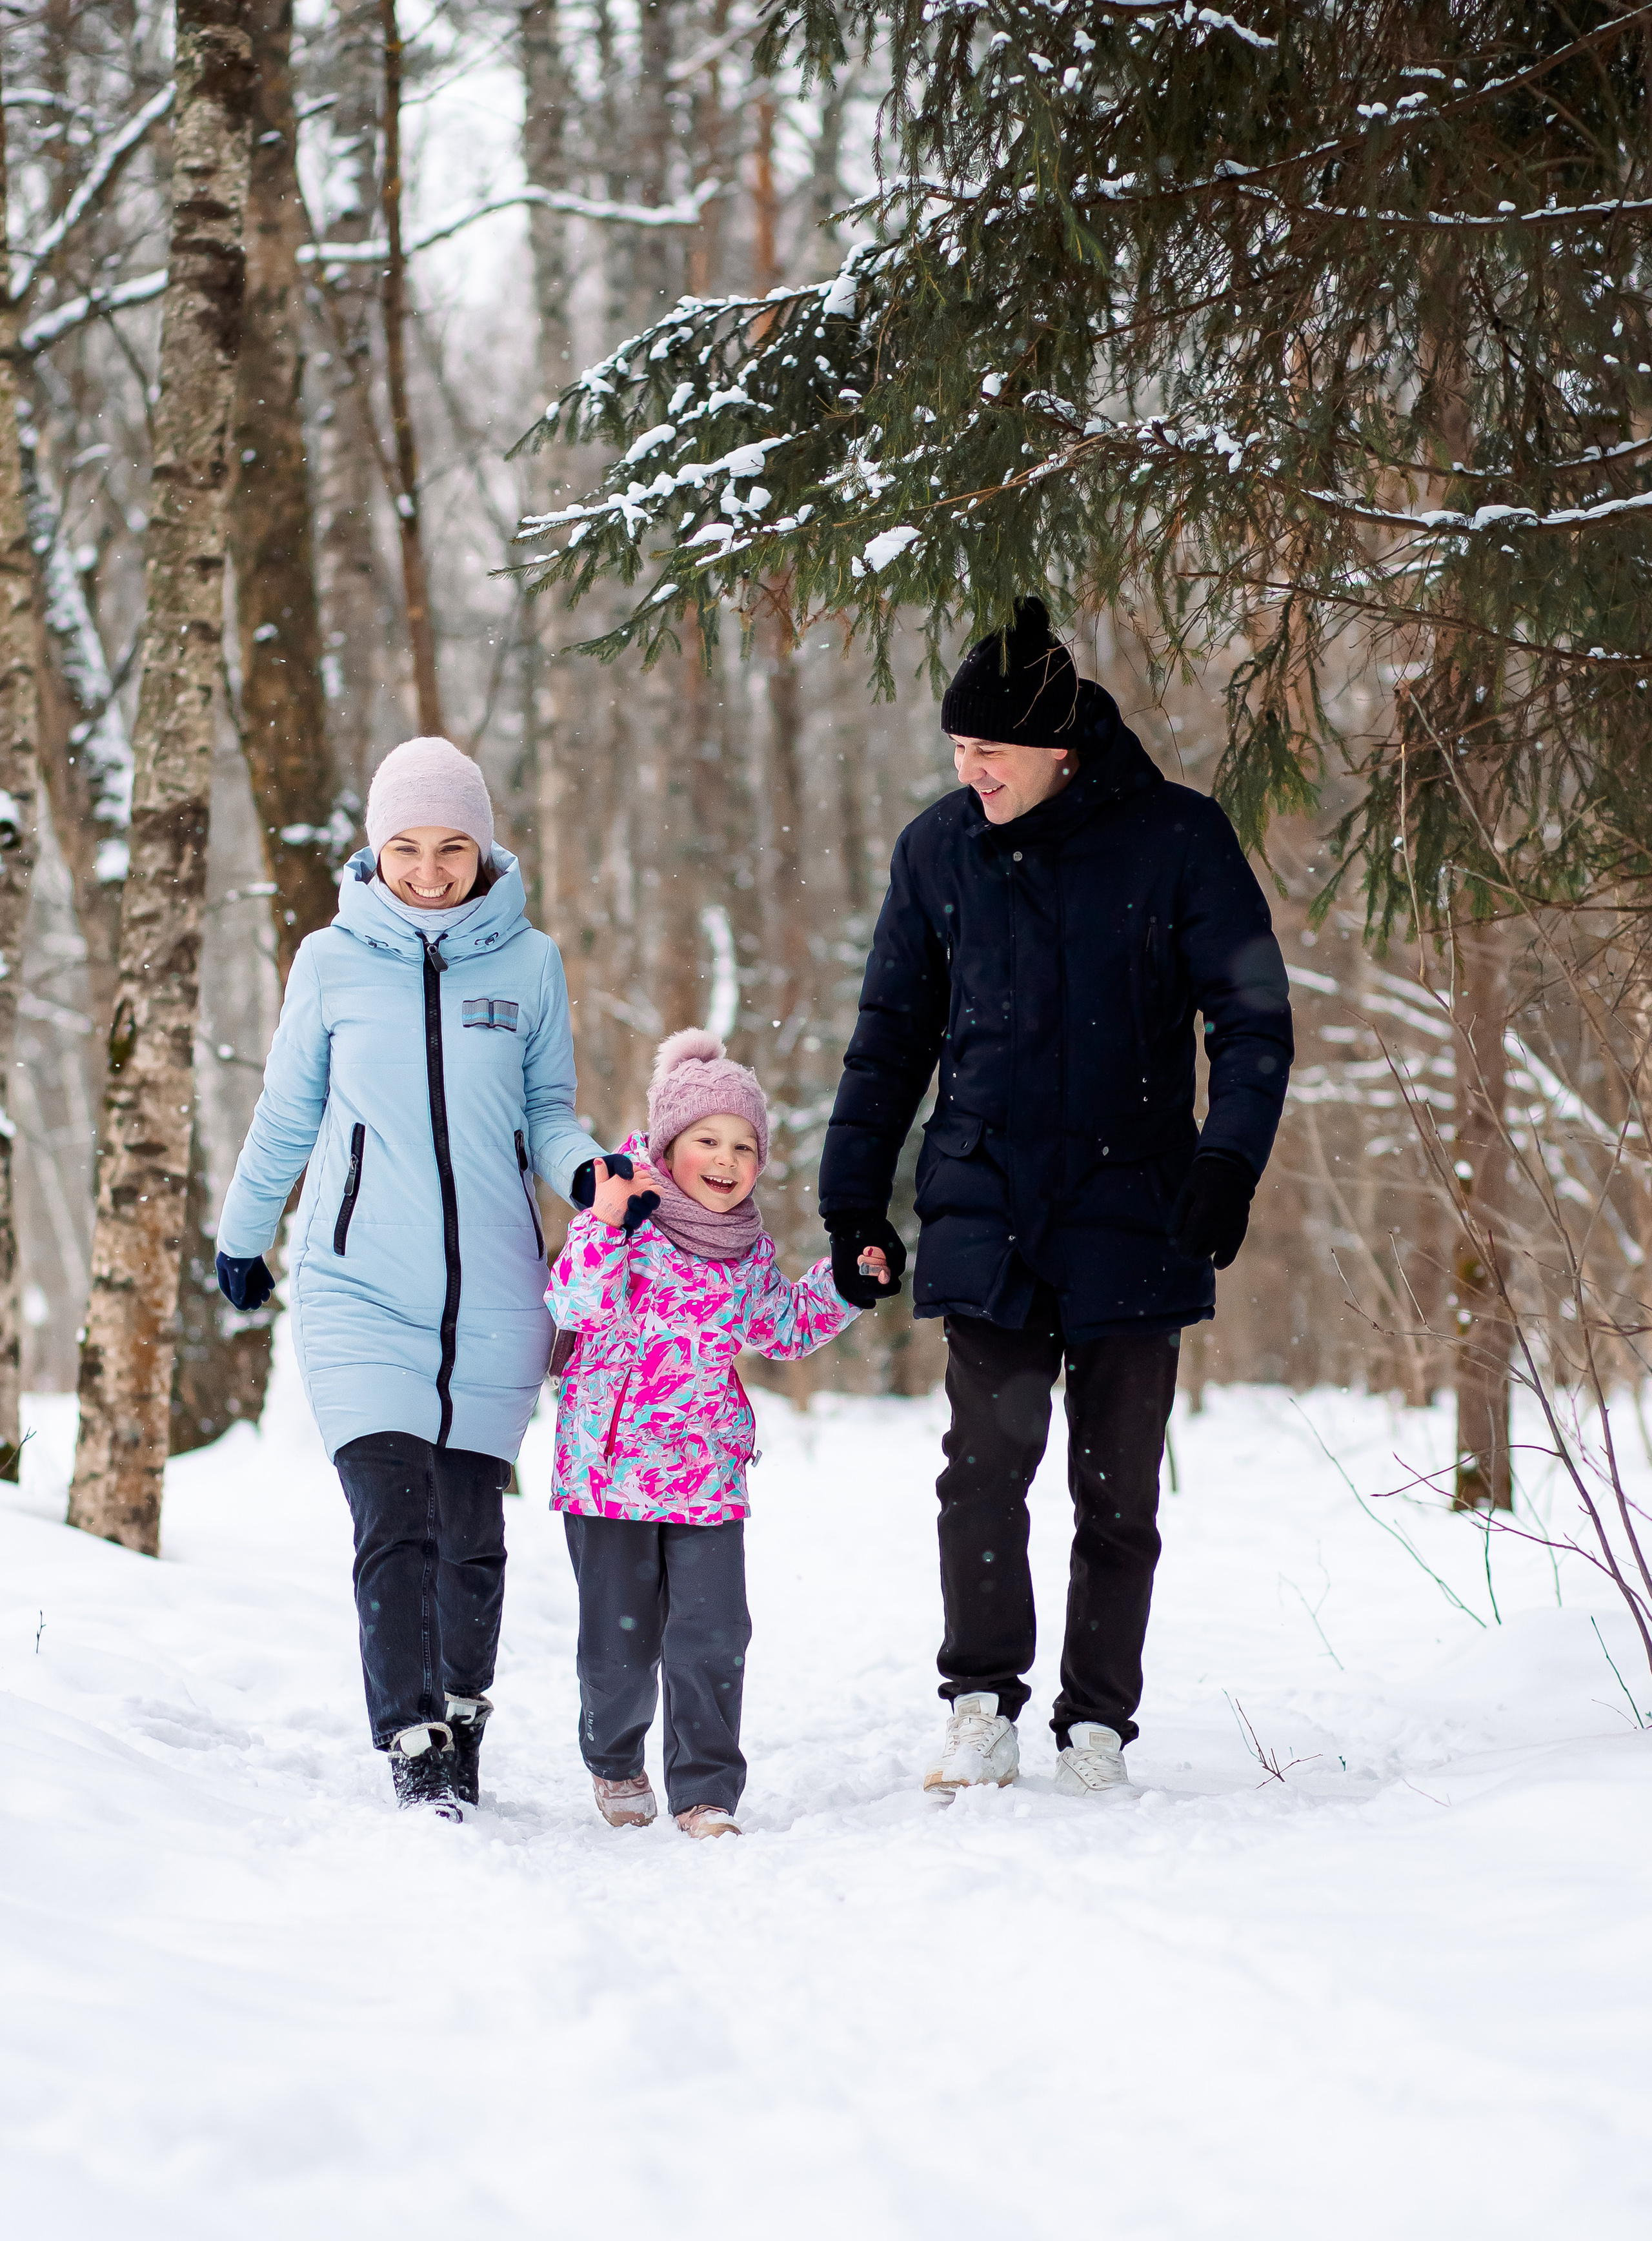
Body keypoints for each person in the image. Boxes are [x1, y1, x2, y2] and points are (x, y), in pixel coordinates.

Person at [818, 600, 1293, 1799]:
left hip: (1135, 1201)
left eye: (989, 751)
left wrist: (1226, 1164)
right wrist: (854, 1203)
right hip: (984, 1195)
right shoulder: (938, 851)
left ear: (1060, 747)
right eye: (958, 752)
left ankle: (1096, 1726)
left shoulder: (1178, 840)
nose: (968, 771)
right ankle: (980, 1703)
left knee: (1116, 1487)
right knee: (984, 1468)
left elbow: (1251, 1021)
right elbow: (890, 1039)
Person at [214, 736, 623, 1820]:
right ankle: (410, 1736)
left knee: (469, 1537)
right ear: (375, 850)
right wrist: (246, 1234)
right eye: (407, 848)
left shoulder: (528, 964)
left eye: (453, 848)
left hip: (494, 1293)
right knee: (392, 1518)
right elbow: (288, 1110)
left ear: (484, 849)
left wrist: (587, 1174)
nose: (431, 871)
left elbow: (546, 1111)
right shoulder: (330, 963)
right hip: (359, 1288)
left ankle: (462, 1711)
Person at [547, 1028, 881, 1838]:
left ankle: (704, 1791)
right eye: (707, 1141)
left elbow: (783, 1326)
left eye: (743, 1146)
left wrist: (840, 1283)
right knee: (617, 1653)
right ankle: (614, 1757)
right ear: (668, 1143)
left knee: (713, 1638)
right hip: (609, 1474)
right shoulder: (623, 1218)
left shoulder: (745, 1251)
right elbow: (573, 1304)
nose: (726, 1160)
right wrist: (604, 1223)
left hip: (705, 1474)